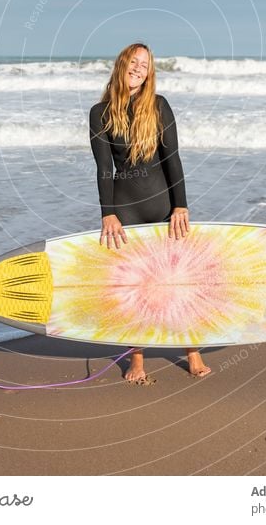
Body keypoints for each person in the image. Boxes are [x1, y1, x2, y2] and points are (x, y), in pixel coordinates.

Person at [89, 41, 211, 381]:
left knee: (178, 281)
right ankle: (137, 359)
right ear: (122, 63)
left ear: (149, 73)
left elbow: (172, 159)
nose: (138, 67)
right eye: (134, 61)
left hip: (162, 206)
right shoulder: (99, 113)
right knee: (135, 287)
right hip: (125, 210)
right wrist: (107, 213)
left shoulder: (159, 106)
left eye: (145, 64)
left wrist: (181, 205)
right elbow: (104, 169)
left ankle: (192, 351)